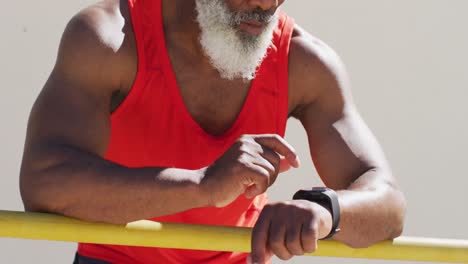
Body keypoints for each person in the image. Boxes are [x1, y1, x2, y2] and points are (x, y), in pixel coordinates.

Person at [19, 0, 406, 263]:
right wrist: (202, 185)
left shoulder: (305, 60)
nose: (266, 3)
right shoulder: (111, 37)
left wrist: (325, 211)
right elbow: (43, 185)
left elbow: (387, 202)